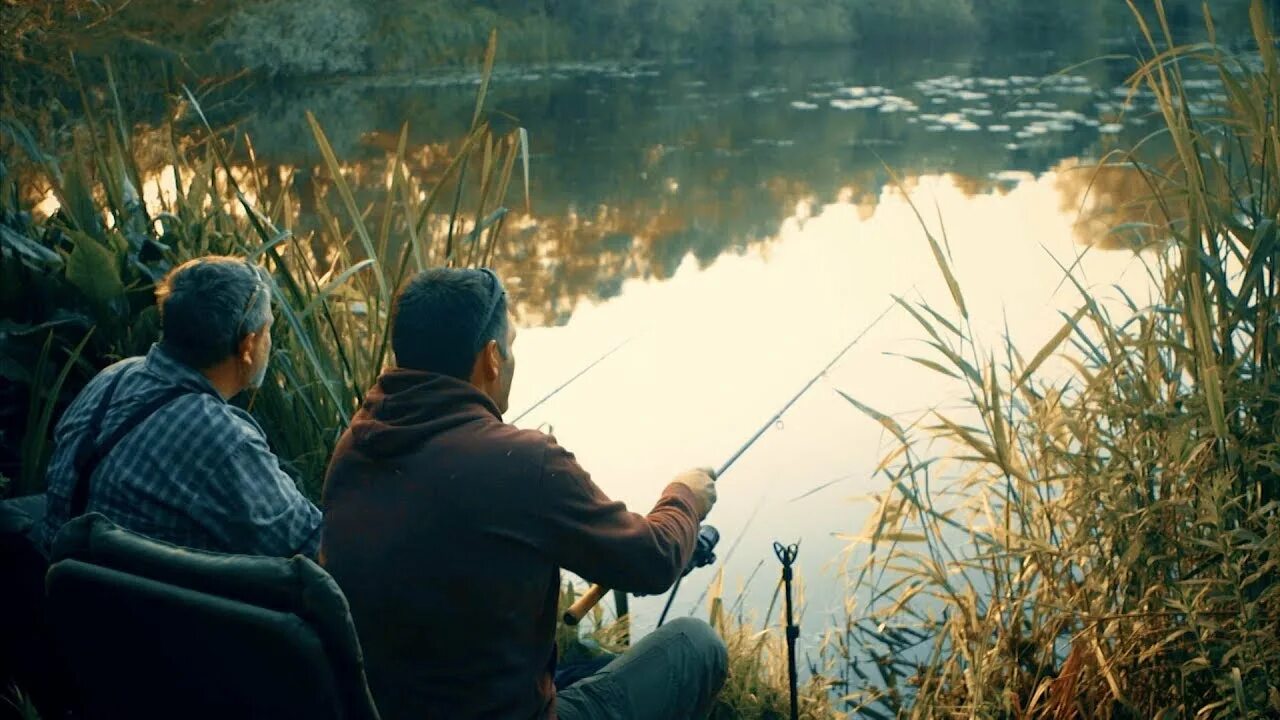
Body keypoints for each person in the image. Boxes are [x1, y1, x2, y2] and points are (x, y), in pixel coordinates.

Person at [320, 267, 728, 720]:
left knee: (583, 662)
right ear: (491, 358)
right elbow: (652, 560)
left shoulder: (355, 444)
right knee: (696, 644)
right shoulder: (522, 461)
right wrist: (685, 497)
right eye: (510, 346)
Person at [34, 255, 322, 557]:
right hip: (149, 602)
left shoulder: (112, 377)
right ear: (247, 345)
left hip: (64, 588)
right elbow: (315, 550)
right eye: (268, 330)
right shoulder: (227, 442)